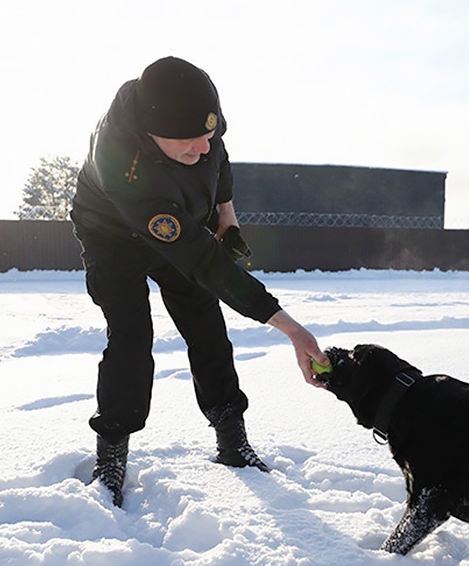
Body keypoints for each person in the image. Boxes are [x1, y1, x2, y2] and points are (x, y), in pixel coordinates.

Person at [71, 56, 328, 507]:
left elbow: (219, 157)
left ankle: (232, 437)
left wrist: (225, 213)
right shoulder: (123, 167)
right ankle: (112, 452)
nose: (204, 150)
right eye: (191, 144)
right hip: (114, 235)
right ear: (154, 134)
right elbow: (202, 258)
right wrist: (289, 326)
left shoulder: (194, 112)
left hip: (180, 218)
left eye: (208, 135)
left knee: (207, 327)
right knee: (132, 337)